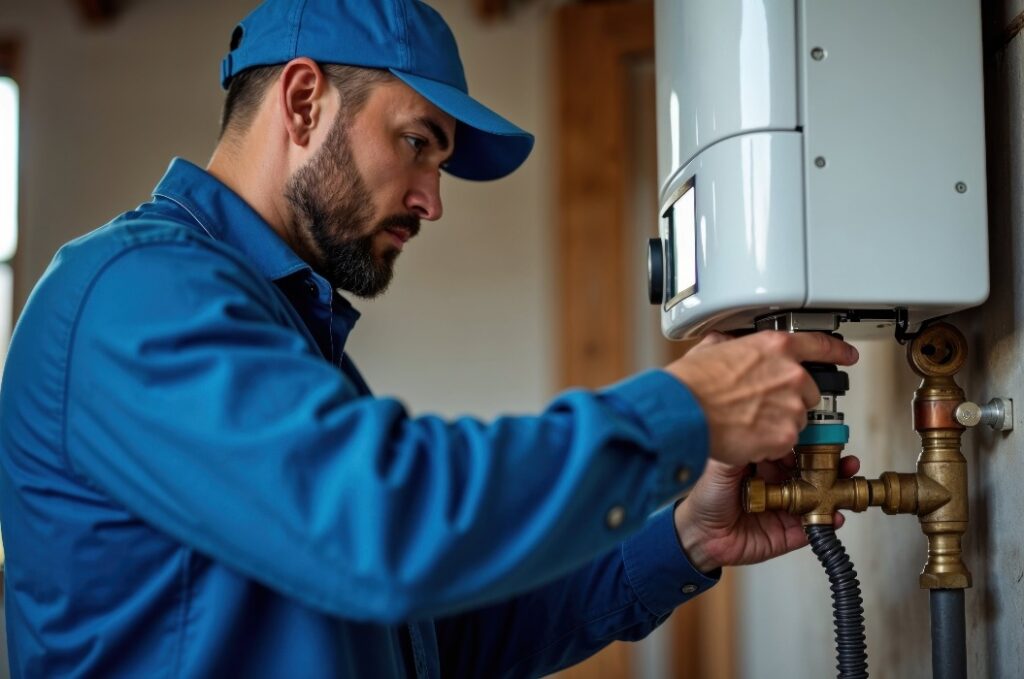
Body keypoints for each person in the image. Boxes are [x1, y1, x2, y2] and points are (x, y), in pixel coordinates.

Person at [0, 0, 860, 677]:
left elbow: (427, 641)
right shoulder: (133, 293)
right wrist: (685, 407)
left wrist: (679, 539)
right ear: (304, 101)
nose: (431, 200)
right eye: (417, 144)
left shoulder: (287, 332)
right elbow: (385, 525)